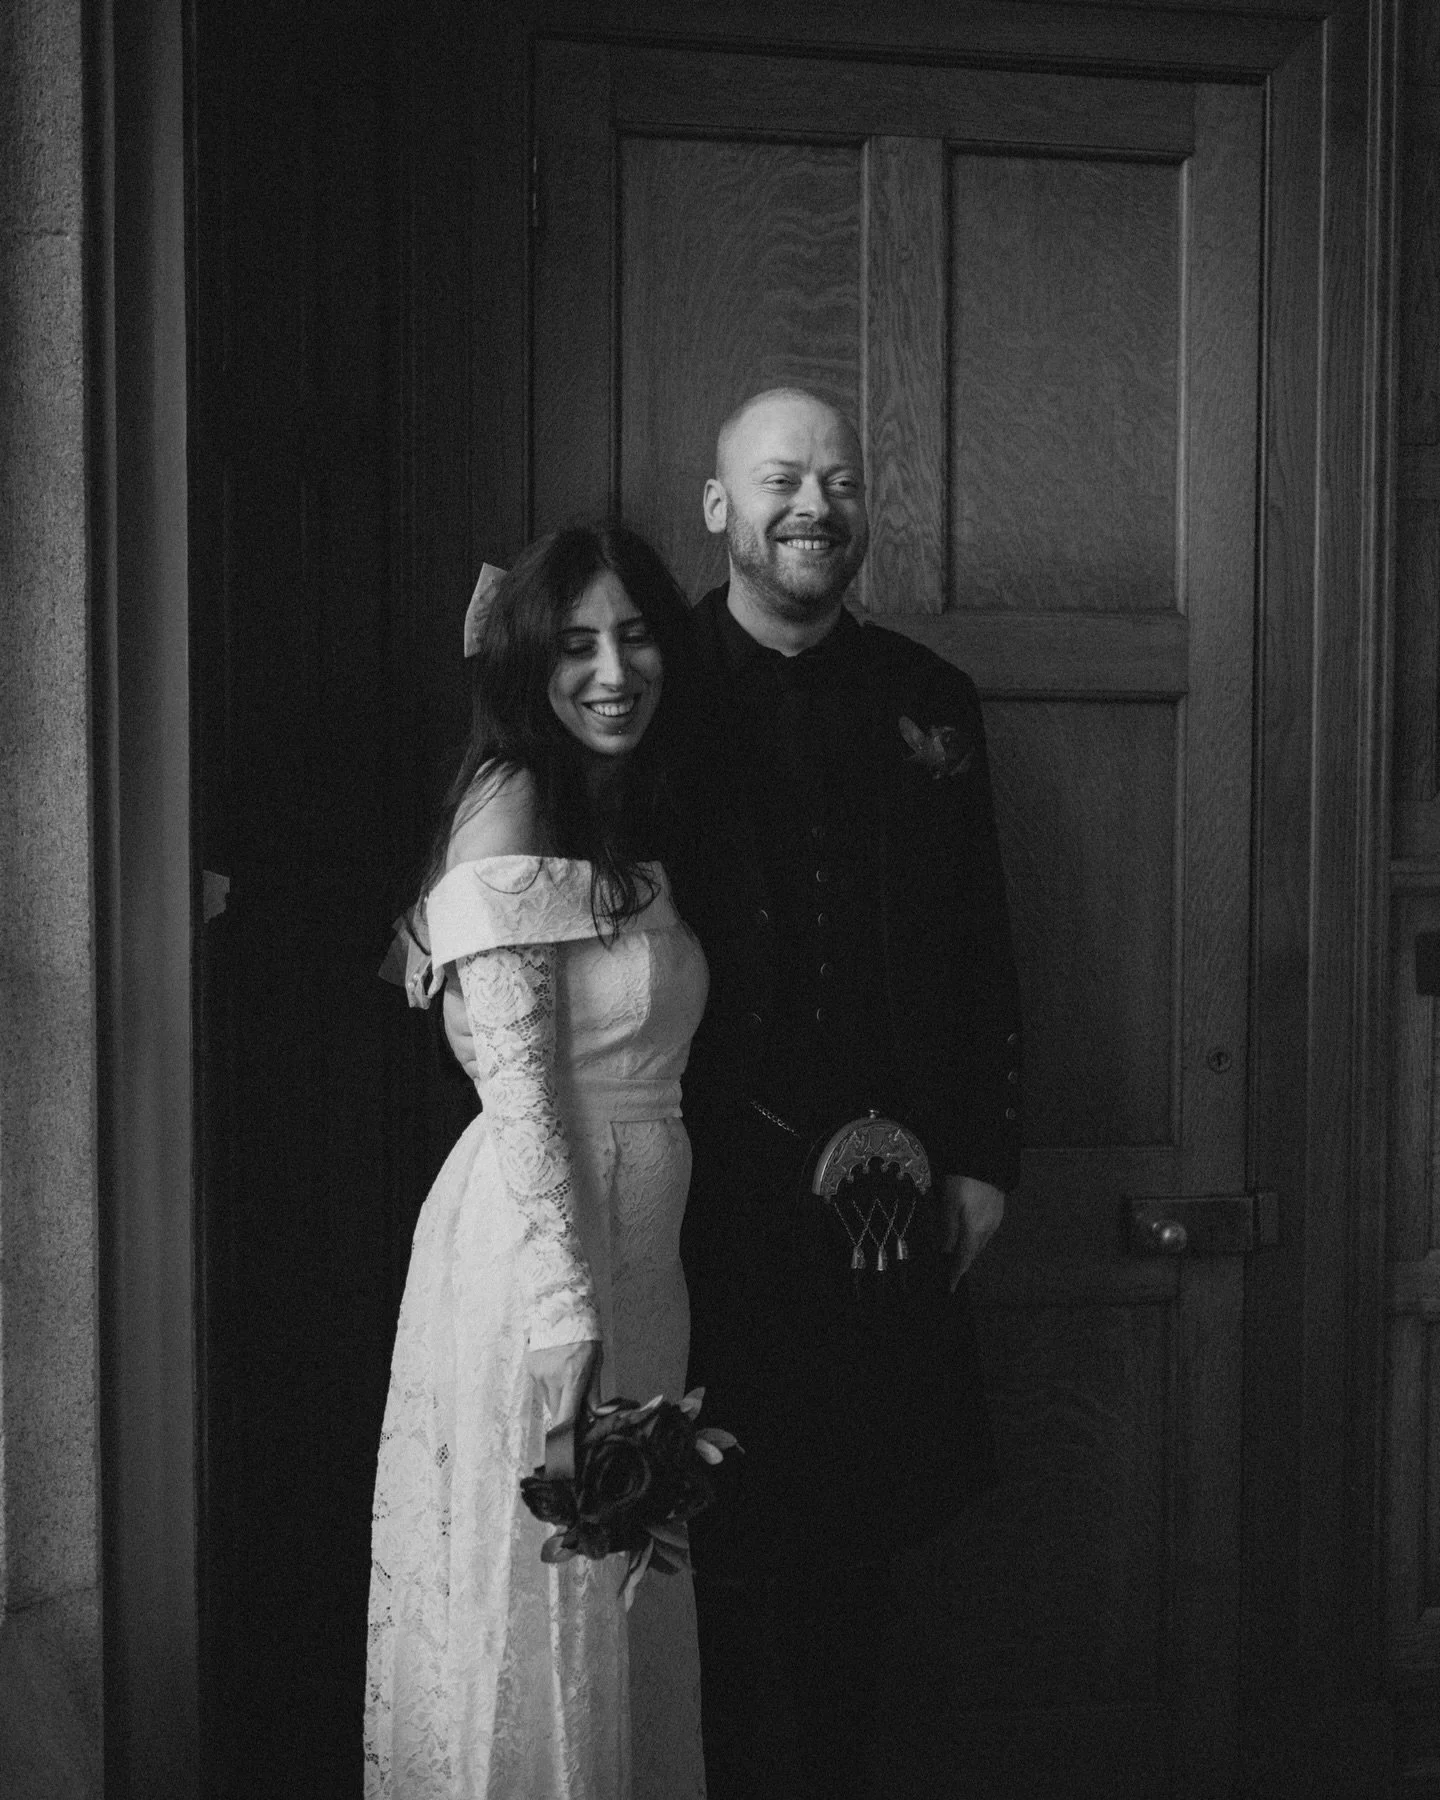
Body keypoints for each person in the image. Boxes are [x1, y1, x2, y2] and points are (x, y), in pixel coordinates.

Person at [668, 389, 1023, 1800]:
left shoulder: (930, 699)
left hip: (889, 1195)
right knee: (702, 1545)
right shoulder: (657, 677)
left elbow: (984, 938)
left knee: (858, 1560)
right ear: (721, 509)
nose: (816, 503)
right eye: (780, 478)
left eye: (841, 478)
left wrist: (986, 1153)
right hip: (700, 1199)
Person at [364, 523, 709, 1799]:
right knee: (546, 1608)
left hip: (636, 1258)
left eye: (634, 637)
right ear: (529, 662)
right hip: (541, 1256)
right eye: (575, 645)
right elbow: (518, 1084)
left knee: (614, 1604)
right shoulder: (509, 797)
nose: (614, 670)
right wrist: (568, 1318)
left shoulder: (605, 805)